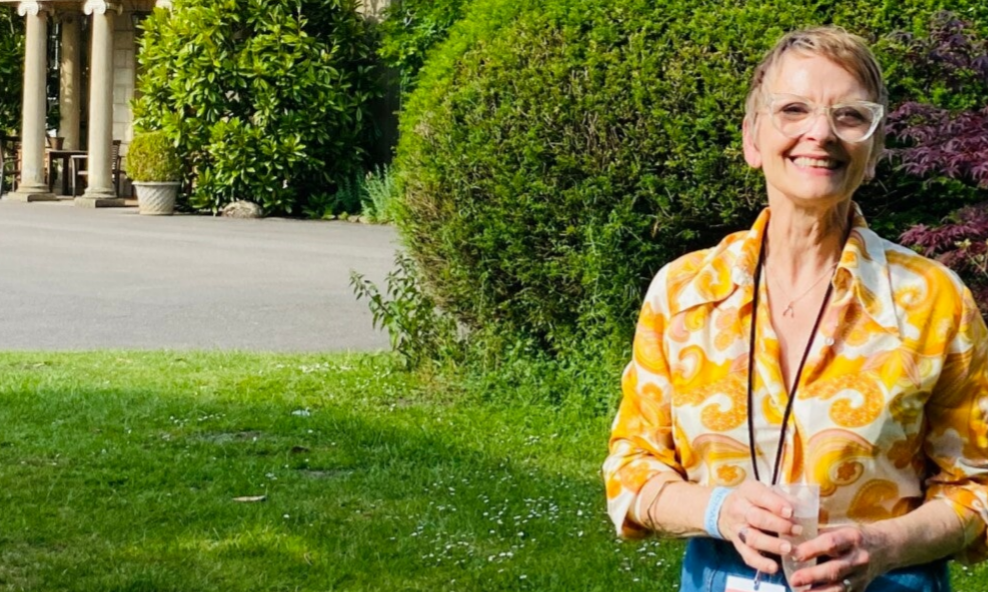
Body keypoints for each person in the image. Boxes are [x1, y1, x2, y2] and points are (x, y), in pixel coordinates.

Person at [603, 26, 988, 592]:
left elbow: (978, 487)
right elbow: (631, 469)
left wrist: (883, 547)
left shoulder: (933, 300)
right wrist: (719, 510)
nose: (820, 133)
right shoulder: (683, 293)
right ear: (752, 139)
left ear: (874, 150)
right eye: (792, 109)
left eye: (850, 116)